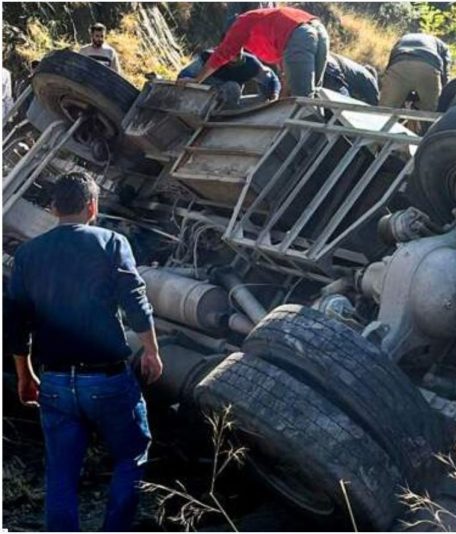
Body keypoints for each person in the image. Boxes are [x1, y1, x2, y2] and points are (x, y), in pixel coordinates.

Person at [7, 172, 163, 531]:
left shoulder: (28, 254)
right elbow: (136, 302)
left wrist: (24, 374)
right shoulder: (111, 243)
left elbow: (15, 321)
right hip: (107, 379)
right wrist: (152, 350)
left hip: (56, 381)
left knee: (61, 472)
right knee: (131, 455)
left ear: (53, 208)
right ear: (92, 206)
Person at [185, 6, 329, 97]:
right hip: (318, 30)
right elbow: (284, 67)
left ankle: (298, 143)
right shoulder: (263, 25)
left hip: (299, 35)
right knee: (314, 94)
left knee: (303, 99)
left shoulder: (241, 23)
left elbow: (223, 53)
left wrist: (197, 80)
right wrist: (282, 91)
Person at [379, 33, 451, 111]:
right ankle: (426, 122)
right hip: (428, 68)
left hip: (400, 65)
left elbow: (391, 61)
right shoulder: (442, 46)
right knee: (430, 114)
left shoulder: (403, 38)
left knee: (384, 111)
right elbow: (445, 76)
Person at [178, 49, 281, 102]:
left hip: (229, 98)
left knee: (233, 87)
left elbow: (272, 80)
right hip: (204, 94)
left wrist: (274, 94)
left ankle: (228, 112)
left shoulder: (251, 65)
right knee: (232, 87)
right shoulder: (208, 57)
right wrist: (188, 81)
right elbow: (183, 77)